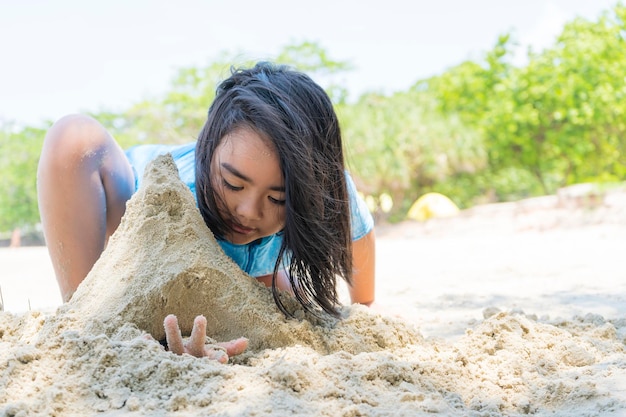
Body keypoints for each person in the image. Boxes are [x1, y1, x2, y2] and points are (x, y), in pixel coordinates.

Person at [37, 62, 376, 361]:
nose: (247, 211)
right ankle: (86, 318)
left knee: (284, 304)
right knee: (73, 135)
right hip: (135, 232)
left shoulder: (328, 193)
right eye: (233, 183)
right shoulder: (182, 198)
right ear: (207, 154)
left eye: (278, 199)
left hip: (250, 267)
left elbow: (359, 242)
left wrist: (365, 309)